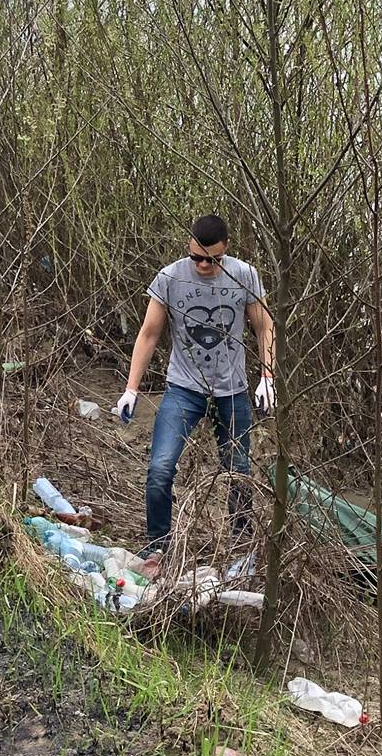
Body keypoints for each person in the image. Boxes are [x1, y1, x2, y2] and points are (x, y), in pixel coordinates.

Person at [115, 214, 275, 558]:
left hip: (231, 390)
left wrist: (267, 377)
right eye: (196, 257)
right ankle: (157, 548)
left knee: (238, 473)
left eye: (212, 259)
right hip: (183, 388)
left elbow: (265, 327)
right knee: (159, 468)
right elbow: (149, 333)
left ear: (226, 250)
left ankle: (241, 548)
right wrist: (132, 388)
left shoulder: (243, 275)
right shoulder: (170, 277)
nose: (203, 265)